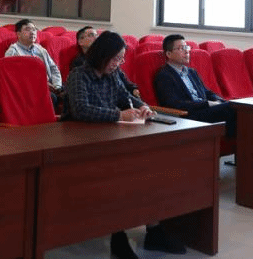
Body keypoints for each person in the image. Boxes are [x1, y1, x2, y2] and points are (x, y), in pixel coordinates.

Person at [64, 31, 183, 258]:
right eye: (115, 58)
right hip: (81, 142)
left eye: (121, 59)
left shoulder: (113, 74)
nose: (118, 63)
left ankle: (154, 229)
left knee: (149, 169)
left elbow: (124, 96)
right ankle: (118, 236)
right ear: (102, 55)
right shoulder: (79, 75)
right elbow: (81, 110)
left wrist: (143, 106)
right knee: (121, 176)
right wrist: (119, 114)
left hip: (109, 137)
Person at [154, 34, 237, 137]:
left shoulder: (191, 72)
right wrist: (207, 104)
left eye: (186, 47)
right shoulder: (164, 75)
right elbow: (174, 103)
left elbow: (206, 92)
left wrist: (220, 100)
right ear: (169, 54)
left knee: (237, 106)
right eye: (181, 48)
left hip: (204, 110)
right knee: (231, 109)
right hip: (190, 115)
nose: (186, 51)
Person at [71, 27, 141, 100]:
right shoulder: (79, 64)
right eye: (91, 35)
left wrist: (133, 90)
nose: (96, 37)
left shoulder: (108, 61)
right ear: (80, 42)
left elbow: (123, 83)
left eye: (96, 35)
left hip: (121, 96)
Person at [4, 19, 62, 97]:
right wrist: (43, 84)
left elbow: (53, 68)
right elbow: (13, 77)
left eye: (34, 30)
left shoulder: (41, 50)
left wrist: (57, 86)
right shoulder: (13, 52)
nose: (32, 32)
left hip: (50, 86)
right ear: (18, 34)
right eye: (28, 29)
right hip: (29, 89)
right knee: (52, 97)